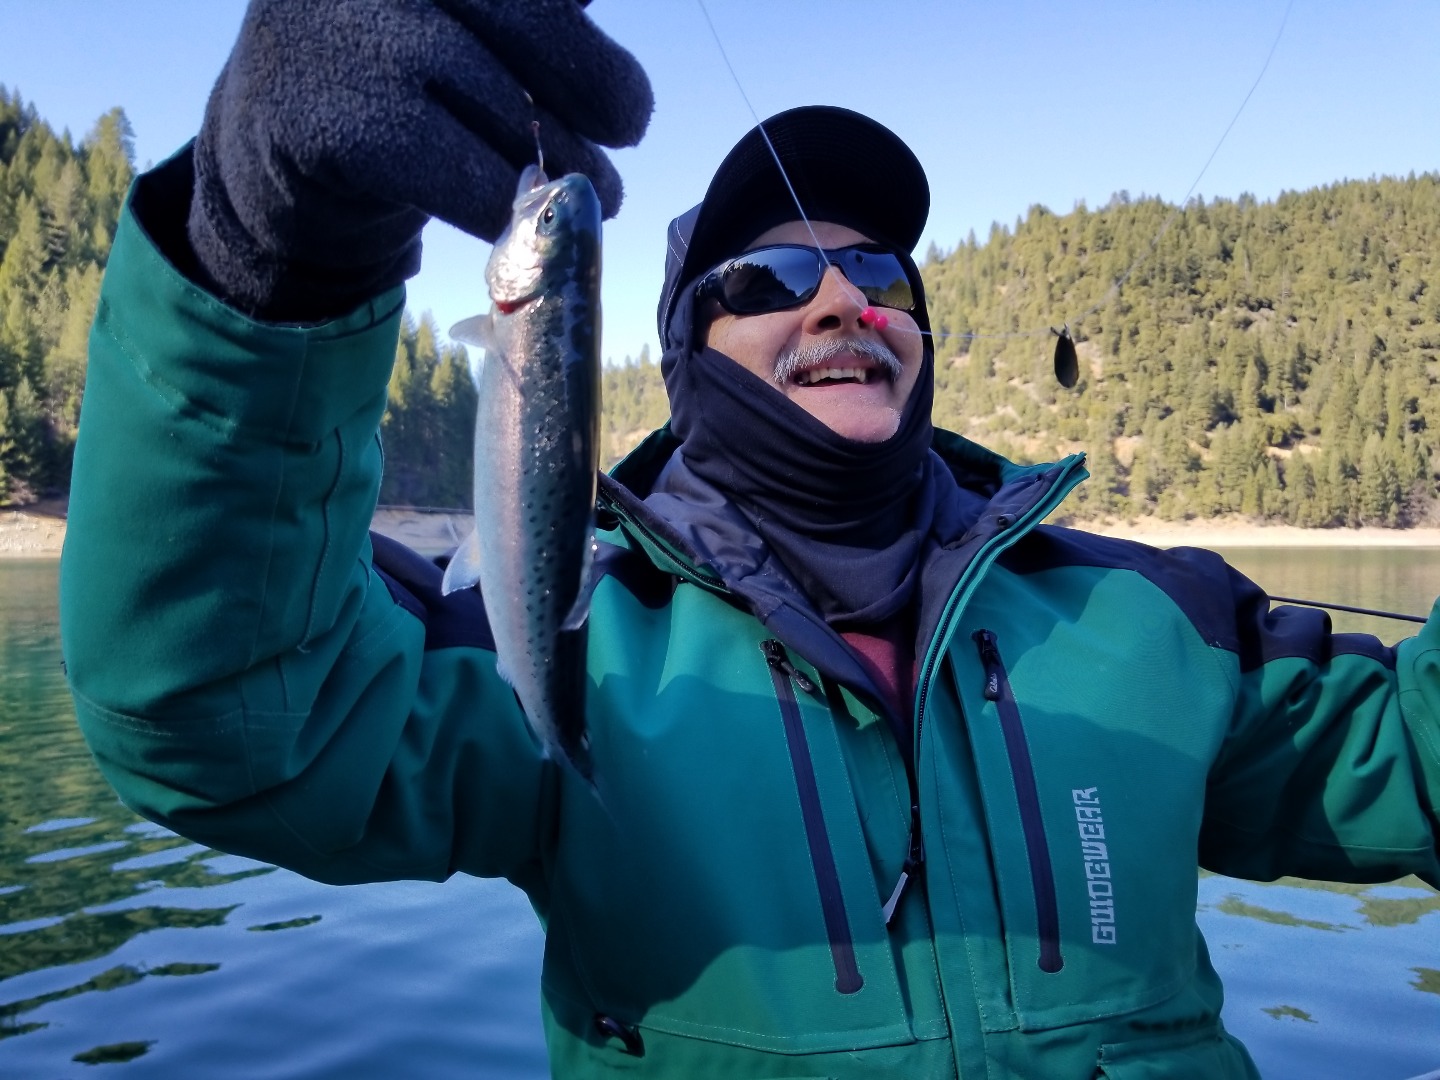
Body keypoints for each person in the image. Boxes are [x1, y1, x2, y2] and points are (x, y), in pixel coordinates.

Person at [59, 2, 1440, 1078]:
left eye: (880, 271)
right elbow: (225, 712)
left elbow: (1415, 775)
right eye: (775, 276)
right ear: (687, 355)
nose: (843, 297)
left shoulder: (1154, 622)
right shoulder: (574, 643)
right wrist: (268, 238)